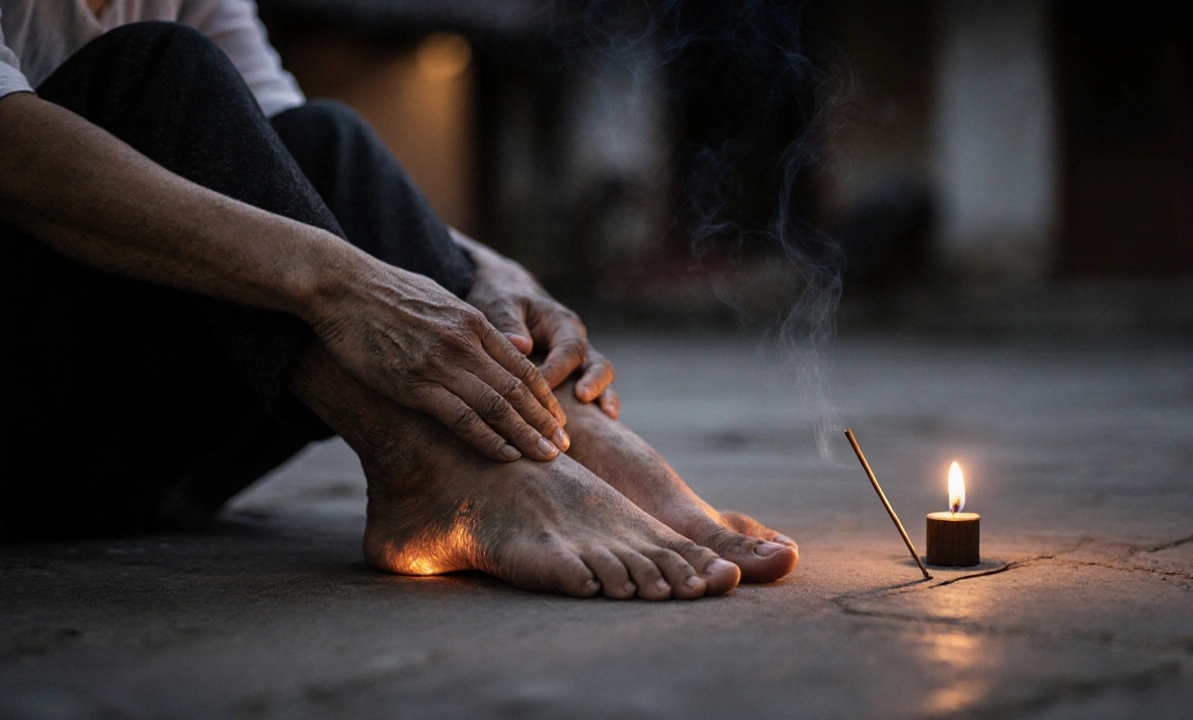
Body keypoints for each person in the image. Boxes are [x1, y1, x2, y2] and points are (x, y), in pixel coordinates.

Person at [0, 0, 798, 599]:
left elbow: (281, 159)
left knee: (326, 137)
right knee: (156, 73)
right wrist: (339, 285)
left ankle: (569, 438)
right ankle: (423, 468)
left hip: (141, 446)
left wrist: (495, 275)